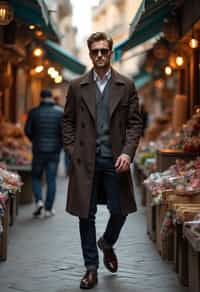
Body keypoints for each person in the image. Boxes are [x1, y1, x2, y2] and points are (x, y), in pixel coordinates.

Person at [63, 32, 143, 289]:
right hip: (85, 162)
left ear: (111, 53)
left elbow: (134, 124)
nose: (99, 55)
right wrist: (73, 149)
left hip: (114, 160)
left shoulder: (126, 85)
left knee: (120, 211)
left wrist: (127, 153)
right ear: (90, 54)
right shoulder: (76, 86)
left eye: (104, 51)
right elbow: (67, 122)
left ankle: (107, 242)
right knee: (85, 215)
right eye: (95, 51)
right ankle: (91, 268)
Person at [25, 89, 64, 218]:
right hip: (54, 152)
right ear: (51, 98)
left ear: (40, 98)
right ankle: (48, 209)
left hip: (38, 151)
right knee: (51, 179)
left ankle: (39, 201)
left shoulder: (33, 112)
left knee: (36, 177)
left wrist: (35, 140)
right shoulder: (60, 113)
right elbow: (64, 133)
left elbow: (27, 131)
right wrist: (60, 145)